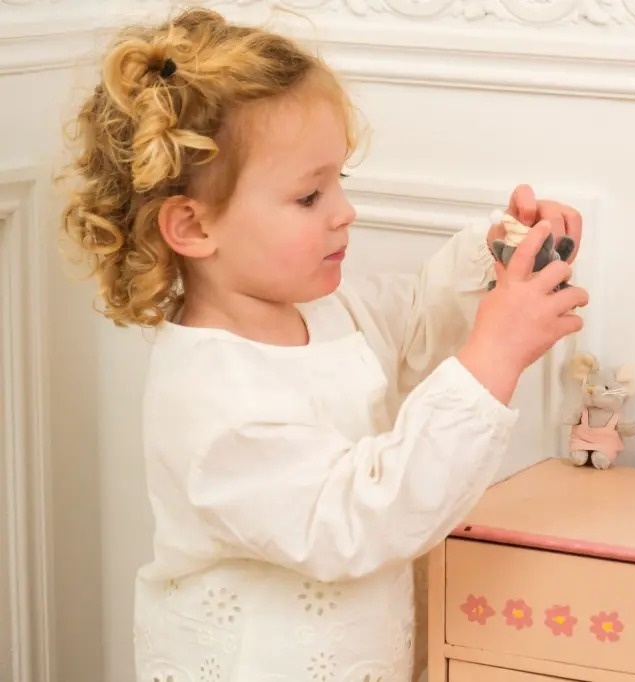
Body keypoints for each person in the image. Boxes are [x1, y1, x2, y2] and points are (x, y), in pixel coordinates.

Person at [58, 7, 588, 682]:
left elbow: (414, 326)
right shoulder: (213, 400)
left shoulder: (324, 309)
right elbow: (362, 519)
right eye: (310, 196)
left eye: (341, 181)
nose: (344, 210)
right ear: (192, 226)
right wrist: (495, 355)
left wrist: (496, 258)